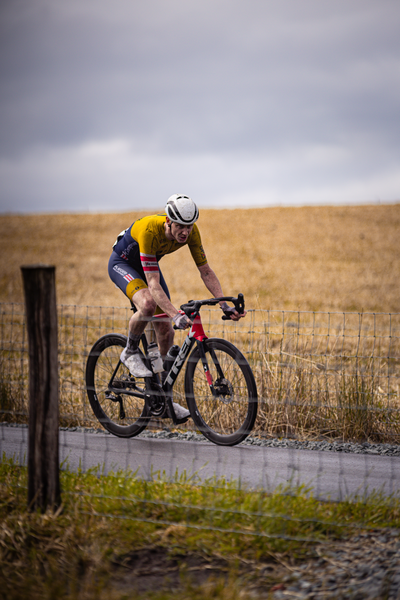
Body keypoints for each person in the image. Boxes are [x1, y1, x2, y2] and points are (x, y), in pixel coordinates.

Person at [108, 194, 246, 422]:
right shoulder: (150, 230)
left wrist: (224, 304)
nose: (185, 232)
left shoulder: (192, 233)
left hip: (147, 265)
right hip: (122, 264)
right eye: (180, 226)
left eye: (189, 226)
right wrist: (175, 314)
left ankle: (162, 397)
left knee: (166, 331)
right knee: (148, 304)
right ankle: (130, 350)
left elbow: (206, 271)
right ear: (168, 222)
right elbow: (152, 284)